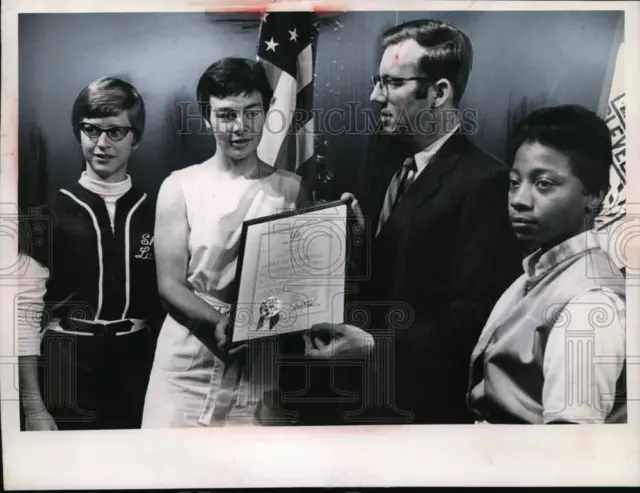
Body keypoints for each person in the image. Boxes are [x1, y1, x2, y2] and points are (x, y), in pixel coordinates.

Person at [332, 19, 523, 424]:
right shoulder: (387, 165)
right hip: (363, 404)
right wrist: (360, 245)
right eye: (376, 81)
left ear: (439, 93)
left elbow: (474, 320)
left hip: (424, 414)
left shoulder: (485, 182)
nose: (373, 96)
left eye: (391, 83)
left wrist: (372, 346)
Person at [141, 58, 308, 428]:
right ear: (207, 117)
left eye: (252, 113)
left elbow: (299, 282)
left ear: (267, 114)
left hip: (260, 358)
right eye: (226, 115)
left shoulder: (292, 189)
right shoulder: (179, 186)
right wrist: (219, 322)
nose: (240, 128)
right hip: (187, 358)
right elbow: (169, 284)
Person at [467, 105, 626, 424]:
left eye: (544, 184)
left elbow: (570, 452)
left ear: (595, 197)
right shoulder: (537, 272)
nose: (519, 200)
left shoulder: (590, 306)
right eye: (514, 182)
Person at [21, 77, 161, 430]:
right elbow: (21, 317)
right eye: (91, 130)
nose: (101, 144)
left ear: (136, 138)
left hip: (137, 363)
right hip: (65, 360)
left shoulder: (157, 210)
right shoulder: (47, 215)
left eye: (115, 132)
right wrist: (33, 407)